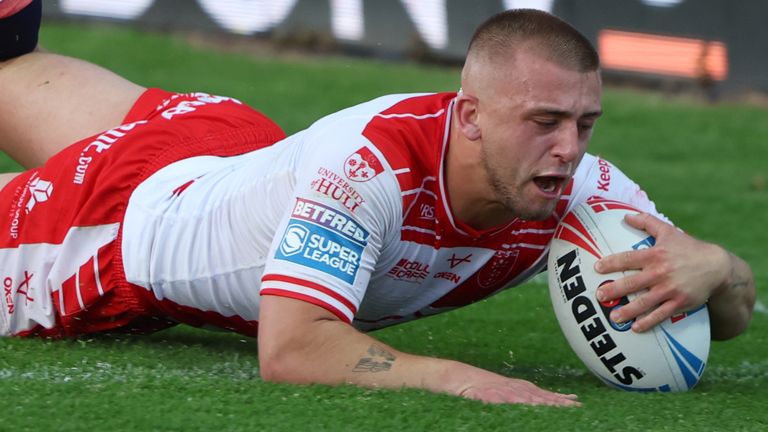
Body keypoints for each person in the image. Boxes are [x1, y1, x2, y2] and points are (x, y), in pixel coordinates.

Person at [0, 2, 756, 406]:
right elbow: (294, 349)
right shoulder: (370, 166)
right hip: (103, 236)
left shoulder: (583, 189)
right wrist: (454, 376)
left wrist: (718, 269)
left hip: (226, 145)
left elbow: (722, 313)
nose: (569, 149)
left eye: (584, 124)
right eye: (544, 123)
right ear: (469, 116)